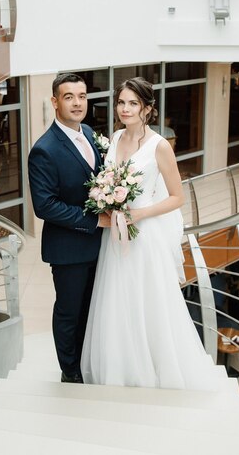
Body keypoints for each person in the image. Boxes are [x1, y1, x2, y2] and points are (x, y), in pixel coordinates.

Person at [81, 77, 217, 389]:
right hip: (115, 236)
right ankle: (122, 367)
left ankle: (156, 367)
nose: (125, 109)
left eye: (132, 103)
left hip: (145, 237)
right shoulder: (115, 138)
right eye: (121, 102)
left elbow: (177, 197)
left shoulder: (160, 146)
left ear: (147, 109)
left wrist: (140, 212)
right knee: (117, 299)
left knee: (148, 303)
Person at [28, 73, 110, 384]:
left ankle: (86, 360)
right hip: (69, 250)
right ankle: (71, 372)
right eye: (69, 97)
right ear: (54, 102)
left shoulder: (88, 132)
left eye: (82, 96)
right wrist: (94, 221)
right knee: (69, 312)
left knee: (91, 308)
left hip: (99, 244)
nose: (77, 103)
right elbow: (44, 206)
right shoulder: (44, 150)